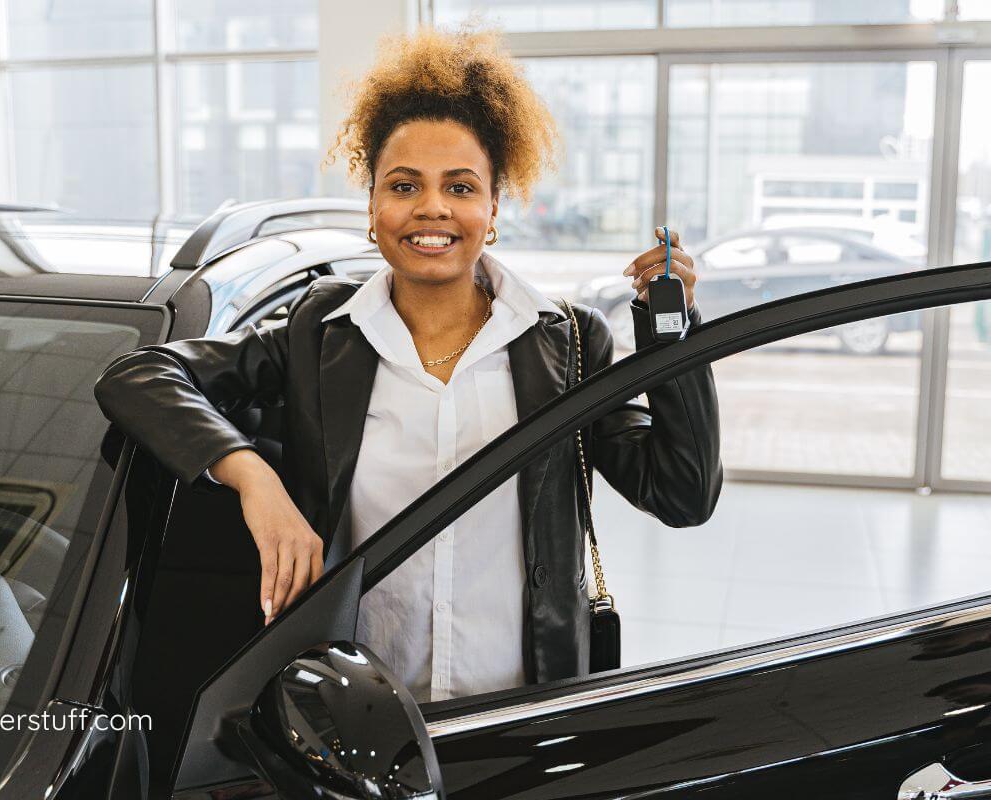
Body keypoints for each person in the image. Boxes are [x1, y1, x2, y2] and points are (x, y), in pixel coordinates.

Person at [94, 23, 723, 703]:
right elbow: (139, 377)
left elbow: (682, 493)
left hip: (516, 713)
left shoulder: (567, 342)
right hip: (358, 718)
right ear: (372, 206)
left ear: (493, 206)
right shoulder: (318, 333)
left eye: (459, 187)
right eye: (403, 186)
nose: (431, 208)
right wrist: (254, 482)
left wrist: (673, 333)